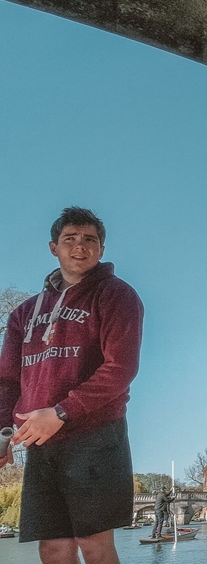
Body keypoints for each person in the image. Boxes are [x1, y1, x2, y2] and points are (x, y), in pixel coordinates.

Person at [0, 207, 144, 564]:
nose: (80, 246)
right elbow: (6, 380)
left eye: (90, 240)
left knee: (93, 543)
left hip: (95, 434)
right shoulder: (23, 314)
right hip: (41, 440)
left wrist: (62, 411)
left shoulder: (117, 296)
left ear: (101, 249)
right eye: (70, 239)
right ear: (54, 247)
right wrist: (3, 433)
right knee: (53, 547)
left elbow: (121, 368)